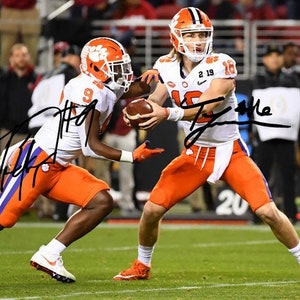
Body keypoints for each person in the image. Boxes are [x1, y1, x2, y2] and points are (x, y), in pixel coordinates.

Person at [113, 7, 300, 281]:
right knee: (151, 210)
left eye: (202, 34)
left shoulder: (221, 63)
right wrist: (140, 112)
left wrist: (168, 113)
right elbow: (156, 100)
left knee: (267, 211)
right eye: (191, 35)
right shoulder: (165, 65)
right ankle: (142, 265)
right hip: (195, 154)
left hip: (229, 151)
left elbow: (209, 107)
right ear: (176, 37)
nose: (198, 41)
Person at [0, 37, 164, 283]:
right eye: (116, 67)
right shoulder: (87, 90)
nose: (123, 73)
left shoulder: (105, 83)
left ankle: (50, 254)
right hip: (36, 161)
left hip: (59, 166)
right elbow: (90, 146)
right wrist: (132, 156)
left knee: (101, 201)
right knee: (3, 218)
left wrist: (151, 80)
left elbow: (132, 89)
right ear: (97, 68)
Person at [251, 44, 300, 224]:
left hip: (287, 135)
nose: (274, 58)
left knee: (288, 175)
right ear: (264, 59)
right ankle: (257, 214)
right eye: (270, 55)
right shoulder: (258, 79)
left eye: (277, 55)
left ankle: (290, 214)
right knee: (260, 176)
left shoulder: (293, 78)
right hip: (265, 134)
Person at [0, 43, 39, 152]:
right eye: (17, 55)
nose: (21, 58)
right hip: (7, 132)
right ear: (11, 58)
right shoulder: (4, 79)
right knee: (6, 167)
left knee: (28, 167)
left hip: (29, 134)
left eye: (24, 55)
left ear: (29, 57)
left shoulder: (37, 78)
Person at [0, 0, 41, 67]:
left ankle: (31, 74)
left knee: (32, 50)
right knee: (6, 50)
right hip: (9, 11)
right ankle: (3, 74)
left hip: (29, 11)